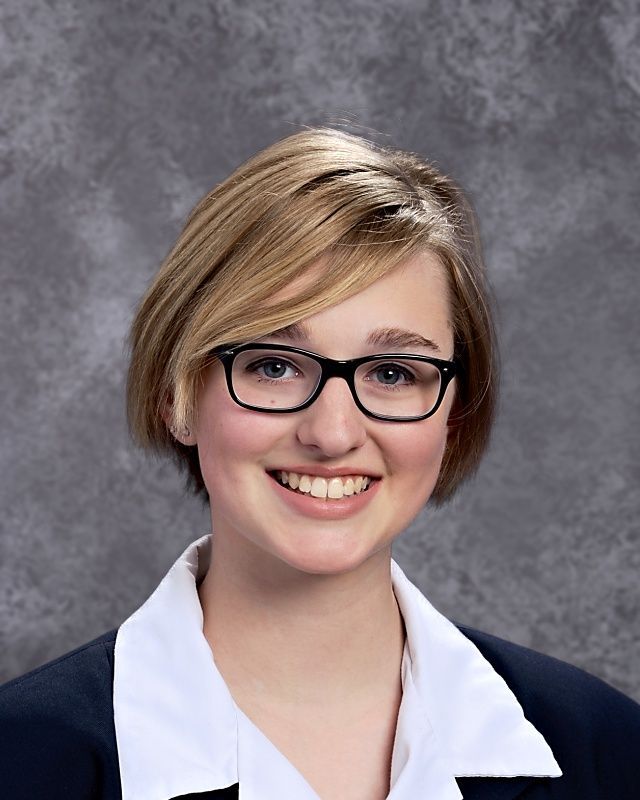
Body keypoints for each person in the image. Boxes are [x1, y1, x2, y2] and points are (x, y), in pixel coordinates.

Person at [1, 128, 638, 800]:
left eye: (393, 372)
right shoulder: (22, 761)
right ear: (176, 394)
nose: (333, 433)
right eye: (274, 365)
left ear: (453, 414)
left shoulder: (609, 754)